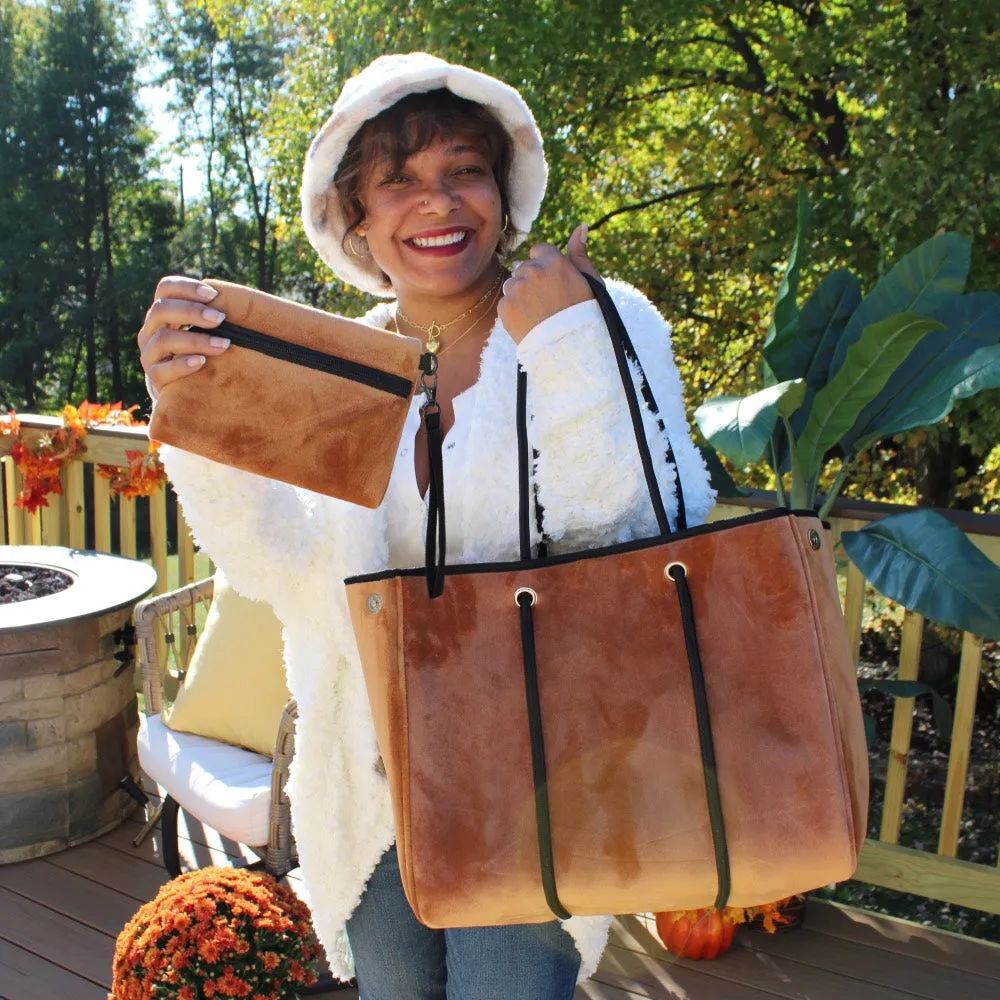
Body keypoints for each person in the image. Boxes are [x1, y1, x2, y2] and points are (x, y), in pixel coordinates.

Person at [138, 52, 715, 1000]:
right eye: (397, 180)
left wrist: (565, 350)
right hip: (369, 777)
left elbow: (651, 541)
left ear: (502, 189)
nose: (436, 202)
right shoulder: (338, 364)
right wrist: (195, 414)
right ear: (355, 219)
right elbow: (271, 563)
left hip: (541, 775)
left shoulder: (598, 321)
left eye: (463, 170)